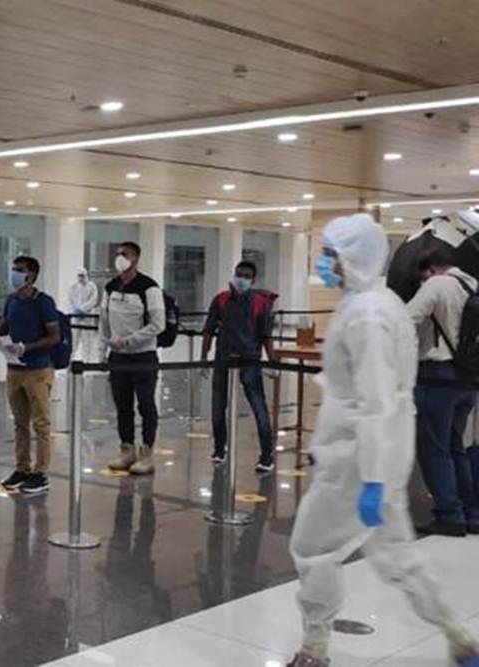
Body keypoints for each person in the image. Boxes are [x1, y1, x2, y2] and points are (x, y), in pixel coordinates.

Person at [286, 213, 479, 667]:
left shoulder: (367, 315)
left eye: (330, 254)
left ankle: (314, 649)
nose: (324, 262)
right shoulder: (382, 302)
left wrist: (371, 478)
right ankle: (459, 636)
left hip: (356, 459)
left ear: (353, 257)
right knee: (396, 556)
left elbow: (374, 400)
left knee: (312, 550)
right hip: (383, 452)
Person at [405, 248, 479, 536]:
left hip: (437, 376)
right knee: (455, 445)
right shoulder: (472, 284)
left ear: (429, 269)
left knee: (434, 448)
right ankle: (470, 513)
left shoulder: (436, 284)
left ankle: (449, 515)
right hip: (468, 377)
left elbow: (406, 320)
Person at [201, 261, 278, 472]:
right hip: (223, 358)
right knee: (218, 407)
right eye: (239, 274)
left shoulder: (260, 303)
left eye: (246, 275)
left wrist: (272, 361)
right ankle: (219, 448)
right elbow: (209, 330)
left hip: (250, 359)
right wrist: (203, 357)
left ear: (253, 280)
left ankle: (266, 455)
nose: (241, 278)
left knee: (259, 406)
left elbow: (265, 335)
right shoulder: (221, 299)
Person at [0, 256, 60, 494]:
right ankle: (21, 468)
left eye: (19, 270)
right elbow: (5, 326)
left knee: (41, 423)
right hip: (14, 370)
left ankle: (40, 472)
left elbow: (54, 336)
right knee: (19, 423)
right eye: (13, 269)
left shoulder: (43, 302)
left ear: (31, 275)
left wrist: (27, 347)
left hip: (37, 370)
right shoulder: (11, 300)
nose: (14, 274)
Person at [100, 242, 165, 475]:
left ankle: (147, 452)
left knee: (146, 405)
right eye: (118, 254)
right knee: (122, 406)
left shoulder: (149, 288)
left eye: (125, 254)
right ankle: (127, 449)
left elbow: (158, 324)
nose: (120, 258)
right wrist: (103, 350)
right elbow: (104, 321)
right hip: (118, 358)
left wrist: (130, 340)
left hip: (143, 356)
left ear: (136, 258)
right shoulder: (111, 287)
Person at [68, 267, 101, 363]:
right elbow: (70, 300)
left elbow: (93, 300)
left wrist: (82, 309)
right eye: (79, 276)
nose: (81, 278)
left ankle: (87, 362)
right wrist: (75, 310)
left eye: (82, 275)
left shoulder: (92, 286)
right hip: (75, 318)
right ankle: (69, 361)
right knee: (73, 340)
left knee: (87, 341)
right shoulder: (73, 286)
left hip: (88, 317)